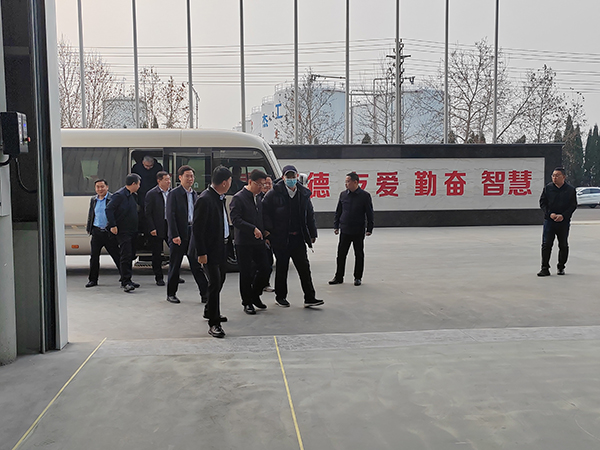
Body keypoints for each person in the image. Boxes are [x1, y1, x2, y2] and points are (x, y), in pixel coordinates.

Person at [262, 165, 324, 308]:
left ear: (297, 176)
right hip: (281, 238)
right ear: (283, 178)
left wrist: (312, 233)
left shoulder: (303, 194)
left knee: (304, 268)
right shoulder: (273, 193)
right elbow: (264, 213)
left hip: (298, 237)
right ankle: (280, 297)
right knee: (282, 268)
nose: (291, 179)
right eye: (288, 176)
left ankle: (310, 297)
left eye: (293, 176)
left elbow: (309, 215)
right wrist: (268, 232)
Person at [194, 166, 233, 338]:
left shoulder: (219, 198)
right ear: (224, 183)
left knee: (220, 279)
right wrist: (201, 253)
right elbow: (198, 229)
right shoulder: (205, 199)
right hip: (209, 250)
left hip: (221, 247)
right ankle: (214, 323)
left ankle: (209, 310)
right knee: (215, 283)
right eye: (230, 181)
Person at [165, 165, 209, 303]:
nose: (190, 179)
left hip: (192, 232)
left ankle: (205, 294)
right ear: (180, 178)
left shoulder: (195, 194)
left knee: (196, 265)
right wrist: (174, 235)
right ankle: (171, 294)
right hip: (179, 233)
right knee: (175, 265)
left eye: (192, 176)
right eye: (187, 176)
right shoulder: (174, 194)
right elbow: (170, 215)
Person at [230, 169, 271, 315]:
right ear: (250, 182)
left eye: (263, 185)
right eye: (259, 184)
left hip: (258, 241)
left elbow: (260, 217)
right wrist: (252, 228)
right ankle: (247, 302)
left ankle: (255, 294)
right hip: (244, 242)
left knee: (266, 268)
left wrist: (265, 231)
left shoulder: (258, 198)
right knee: (246, 273)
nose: (261, 187)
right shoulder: (238, 198)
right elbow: (236, 220)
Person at [329, 172, 374, 286]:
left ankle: (357, 277)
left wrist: (369, 228)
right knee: (341, 254)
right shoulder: (343, 195)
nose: (346, 184)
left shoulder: (365, 196)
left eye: (348, 181)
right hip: (345, 229)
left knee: (358, 254)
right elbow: (338, 211)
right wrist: (336, 225)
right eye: (346, 181)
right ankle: (339, 277)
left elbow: (369, 213)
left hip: (358, 230)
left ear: (355, 182)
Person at [537, 167, 578, 276]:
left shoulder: (570, 190)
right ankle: (544, 268)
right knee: (546, 244)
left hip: (563, 222)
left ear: (563, 177)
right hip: (549, 221)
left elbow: (573, 206)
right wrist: (550, 214)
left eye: (557, 176)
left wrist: (563, 216)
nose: (554, 178)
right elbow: (542, 203)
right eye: (553, 175)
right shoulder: (548, 188)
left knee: (563, 245)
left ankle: (561, 267)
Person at [106, 173, 141, 292]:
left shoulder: (132, 195)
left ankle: (128, 278)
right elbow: (109, 209)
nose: (139, 186)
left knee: (130, 255)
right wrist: (113, 225)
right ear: (133, 184)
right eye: (138, 184)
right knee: (125, 255)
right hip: (123, 230)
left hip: (132, 230)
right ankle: (125, 281)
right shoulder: (119, 195)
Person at [85, 179, 121, 287]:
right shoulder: (93, 200)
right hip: (96, 232)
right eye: (97, 187)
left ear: (107, 187)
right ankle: (92, 280)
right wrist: (89, 228)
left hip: (108, 232)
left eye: (102, 186)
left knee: (117, 256)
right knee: (94, 257)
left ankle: (125, 278)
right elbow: (91, 214)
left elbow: (117, 214)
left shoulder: (112, 199)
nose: (100, 189)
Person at [145, 171, 171, 286]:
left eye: (169, 179)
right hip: (157, 225)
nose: (169, 182)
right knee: (157, 253)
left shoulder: (172, 192)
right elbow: (148, 213)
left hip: (170, 225)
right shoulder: (152, 194)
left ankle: (174, 275)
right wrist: (152, 227)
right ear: (159, 181)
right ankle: (159, 277)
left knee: (175, 250)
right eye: (166, 179)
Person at [259, 175, 275, 293]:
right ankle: (262, 283)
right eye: (265, 183)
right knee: (264, 262)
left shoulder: (275, 197)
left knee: (270, 261)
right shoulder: (258, 198)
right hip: (263, 234)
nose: (268, 186)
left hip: (274, 233)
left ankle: (265, 283)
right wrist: (265, 234)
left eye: (270, 183)